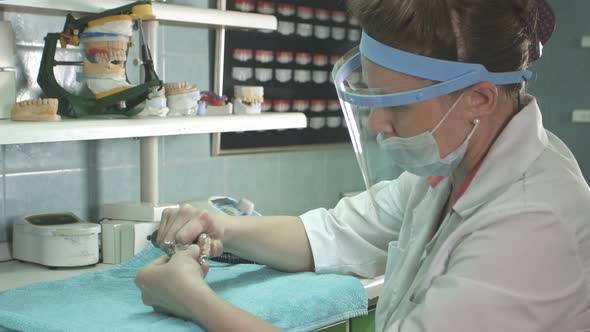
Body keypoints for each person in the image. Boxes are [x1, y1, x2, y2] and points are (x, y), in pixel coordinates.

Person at [134, 0, 590, 330]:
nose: (378, 123)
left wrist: (193, 300)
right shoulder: (449, 174)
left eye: (399, 106)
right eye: (372, 97)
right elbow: (331, 234)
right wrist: (220, 227)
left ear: (478, 99)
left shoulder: (536, 224)